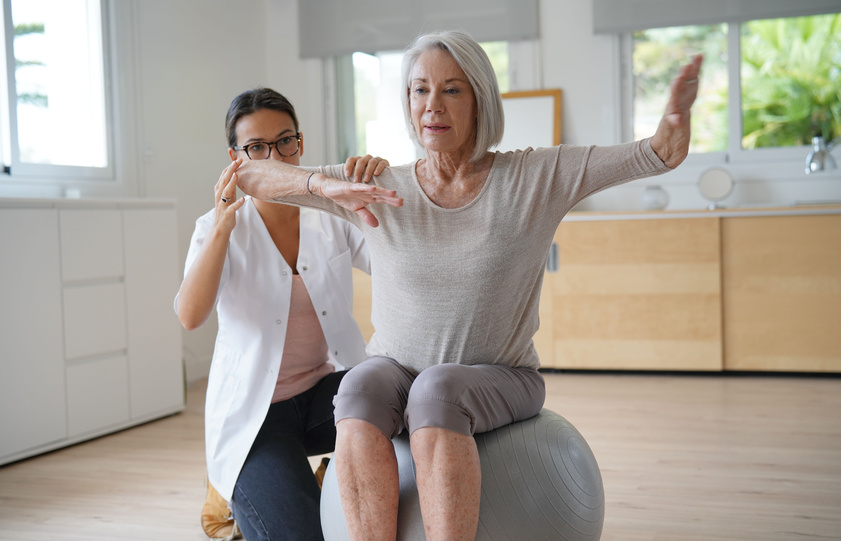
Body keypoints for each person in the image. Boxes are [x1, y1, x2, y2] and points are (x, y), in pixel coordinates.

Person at [233, 30, 703, 541]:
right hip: (398, 371)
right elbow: (250, 177)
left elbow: (656, 154)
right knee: (358, 385)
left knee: (437, 389)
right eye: (419, 90)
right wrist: (320, 184)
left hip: (500, 375)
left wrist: (672, 130)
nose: (432, 106)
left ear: (480, 100)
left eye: (452, 90)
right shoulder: (378, 183)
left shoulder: (534, 177)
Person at [174, 87, 388, 541]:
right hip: (255, 418)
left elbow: (397, 264)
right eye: (256, 147)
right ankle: (237, 493)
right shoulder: (216, 229)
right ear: (235, 157)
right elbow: (190, 315)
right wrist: (221, 228)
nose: (273, 156)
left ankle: (331, 475)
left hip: (326, 396)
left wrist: (379, 190)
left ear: (301, 143)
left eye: (284, 141)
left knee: (401, 401)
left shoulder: (331, 214)